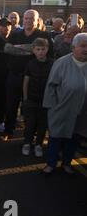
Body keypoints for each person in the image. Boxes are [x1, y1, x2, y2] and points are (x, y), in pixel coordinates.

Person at [0, 9, 53, 141]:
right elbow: (7, 50)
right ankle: (8, 130)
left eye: (32, 18)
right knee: (11, 105)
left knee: (32, 107)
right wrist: (30, 49)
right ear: (23, 19)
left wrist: (18, 49)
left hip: (35, 79)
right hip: (15, 75)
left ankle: (30, 134)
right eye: (26, 18)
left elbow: (49, 55)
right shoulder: (15, 34)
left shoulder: (44, 35)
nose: (28, 21)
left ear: (37, 20)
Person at [42, 33, 87, 176]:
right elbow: (51, 87)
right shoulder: (61, 63)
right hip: (61, 109)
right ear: (73, 47)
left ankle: (67, 163)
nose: (86, 49)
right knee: (55, 138)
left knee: (74, 138)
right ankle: (51, 164)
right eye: (83, 46)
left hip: (82, 111)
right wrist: (53, 108)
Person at [22, 38, 53, 157]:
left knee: (42, 124)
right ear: (33, 50)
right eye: (38, 49)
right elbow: (26, 81)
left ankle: (38, 144)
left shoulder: (52, 64)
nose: (40, 52)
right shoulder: (30, 64)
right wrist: (25, 98)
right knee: (30, 124)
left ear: (47, 49)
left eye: (43, 49)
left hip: (46, 100)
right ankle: (27, 143)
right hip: (31, 99)